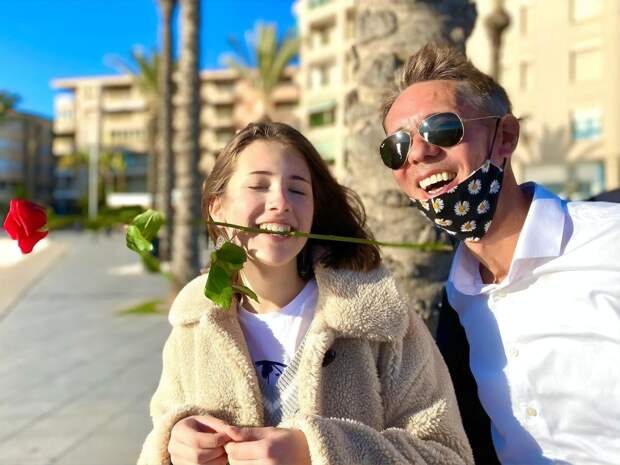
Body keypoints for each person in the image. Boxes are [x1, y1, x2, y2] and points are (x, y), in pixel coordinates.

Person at [137, 122, 474, 465]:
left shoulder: (381, 319)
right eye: (258, 185)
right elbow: (160, 434)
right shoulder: (194, 325)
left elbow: (448, 456)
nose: (281, 202)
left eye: (298, 190)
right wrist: (172, 444)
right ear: (217, 208)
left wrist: (315, 452)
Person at [379, 43, 620, 465]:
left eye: (441, 128)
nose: (417, 153)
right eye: (396, 147)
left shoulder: (609, 240)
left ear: (505, 136)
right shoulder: (457, 302)